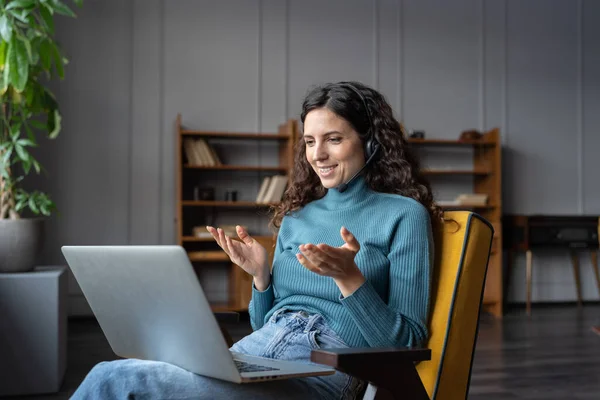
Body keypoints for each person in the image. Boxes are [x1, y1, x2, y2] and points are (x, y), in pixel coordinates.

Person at [70, 81, 442, 399]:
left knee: (115, 379)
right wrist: (261, 278)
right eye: (310, 141)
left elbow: (407, 343)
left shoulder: (404, 215)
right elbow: (264, 325)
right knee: (126, 374)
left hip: (326, 372)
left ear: (370, 142)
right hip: (258, 353)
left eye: (333, 139)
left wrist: (350, 279)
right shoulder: (298, 217)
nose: (318, 154)